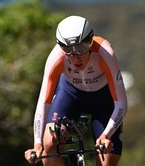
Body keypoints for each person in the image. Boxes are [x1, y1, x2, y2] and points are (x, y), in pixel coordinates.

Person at [24, 15, 128, 166]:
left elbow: (122, 104)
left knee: (106, 160)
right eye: (67, 49)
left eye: (81, 48)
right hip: (70, 95)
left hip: (104, 101)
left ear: (90, 41)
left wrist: (106, 135)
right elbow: (43, 103)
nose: (75, 56)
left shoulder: (105, 53)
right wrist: (37, 143)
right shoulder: (56, 57)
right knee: (49, 146)